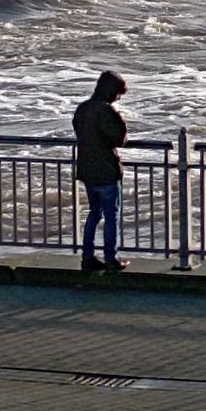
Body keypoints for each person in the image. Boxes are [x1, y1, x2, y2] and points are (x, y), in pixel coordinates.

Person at [73, 70, 130, 272]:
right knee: (111, 215)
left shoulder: (82, 109)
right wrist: (120, 120)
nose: (118, 97)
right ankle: (110, 259)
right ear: (110, 91)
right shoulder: (106, 111)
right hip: (105, 170)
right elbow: (119, 139)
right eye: (118, 93)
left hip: (87, 170)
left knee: (94, 213)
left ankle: (87, 257)